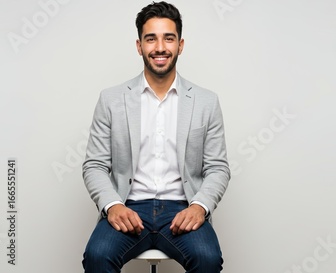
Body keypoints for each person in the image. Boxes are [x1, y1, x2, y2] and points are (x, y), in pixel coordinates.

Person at [81, 2, 230, 272]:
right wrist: (113, 206)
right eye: (151, 39)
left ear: (180, 45)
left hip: (182, 207)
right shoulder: (111, 99)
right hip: (129, 205)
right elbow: (95, 165)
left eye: (168, 38)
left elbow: (218, 168)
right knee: (97, 256)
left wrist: (199, 207)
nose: (160, 47)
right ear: (139, 46)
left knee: (207, 259)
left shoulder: (206, 102)